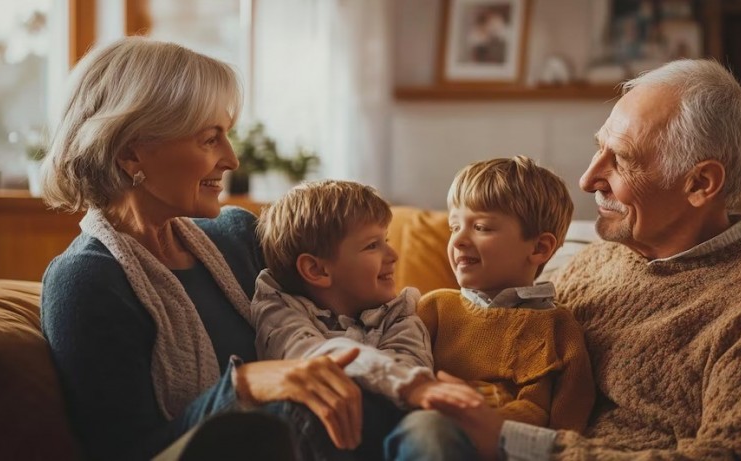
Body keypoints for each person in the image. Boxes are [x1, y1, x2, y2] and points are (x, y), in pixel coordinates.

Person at [431, 59, 741, 460]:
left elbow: (733, 455)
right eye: (599, 148)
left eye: (621, 159)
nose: (588, 180)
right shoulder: (593, 263)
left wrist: (513, 439)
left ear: (700, 183)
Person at [39, 37, 363, 461]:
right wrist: (244, 386)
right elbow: (128, 451)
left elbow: (342, 314)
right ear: (130, 152)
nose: (232, 159)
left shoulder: (237, 235)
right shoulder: (85, 282)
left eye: (226, 136)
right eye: (210, 139)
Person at [251, 179, 484, 460]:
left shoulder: (400, 312)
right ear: (316, 269)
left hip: (391, 424)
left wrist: (412, 385)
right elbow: (311, 359)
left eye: (386, 240)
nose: (393, 255)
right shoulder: (279, 306)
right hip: (321, 428)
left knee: (431, 427)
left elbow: (409, 365)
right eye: (373, 245)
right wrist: (412, 384)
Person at [388, 156, 594, 448]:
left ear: (539, 248)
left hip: (507, 447)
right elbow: (395, 368)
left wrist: (490, 421)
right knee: (428, 427)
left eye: (481, 227)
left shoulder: (558, 327)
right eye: (454, 226)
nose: (458, 239)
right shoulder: (433, 308)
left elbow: (568, 426)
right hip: (428, 430)